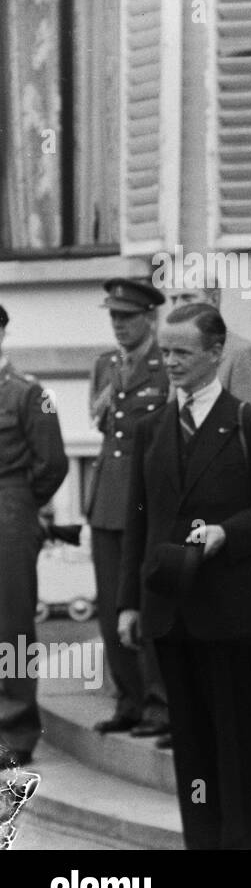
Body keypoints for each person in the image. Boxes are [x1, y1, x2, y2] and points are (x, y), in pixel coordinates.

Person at [117, 303, 251, 848]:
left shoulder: (249, 423)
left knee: (236, 743)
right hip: (171, 610)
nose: (169, 362)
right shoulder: (152, 430)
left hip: (230, 609)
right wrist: (129, 602)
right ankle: (202, 840)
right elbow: (137, 521)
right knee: (190, 746)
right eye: (165, 351)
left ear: (216, 353)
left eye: (182, 353)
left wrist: (228, 533)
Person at [87, 278, 171, 742]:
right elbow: (100, 422)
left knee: (146, 605)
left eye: (127, 317)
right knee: (109, 608)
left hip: (145, 500)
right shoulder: (104, 365)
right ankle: (129, 700)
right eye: (114, 317)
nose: (119, 325)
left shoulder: (164, 367)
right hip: (107, 500)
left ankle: (159, 703)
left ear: (149, 318)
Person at [0, 303, 69, 768]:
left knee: (10, 622)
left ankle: (15, 731)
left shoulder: (28, 393)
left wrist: (22, 503)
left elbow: (53, 463)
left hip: (8, 508)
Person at [166, 286, 251, 409]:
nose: (177, 306)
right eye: (173, 300)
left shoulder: (240, 353)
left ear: (213, 299)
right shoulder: (171, 353)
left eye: (187, 298)